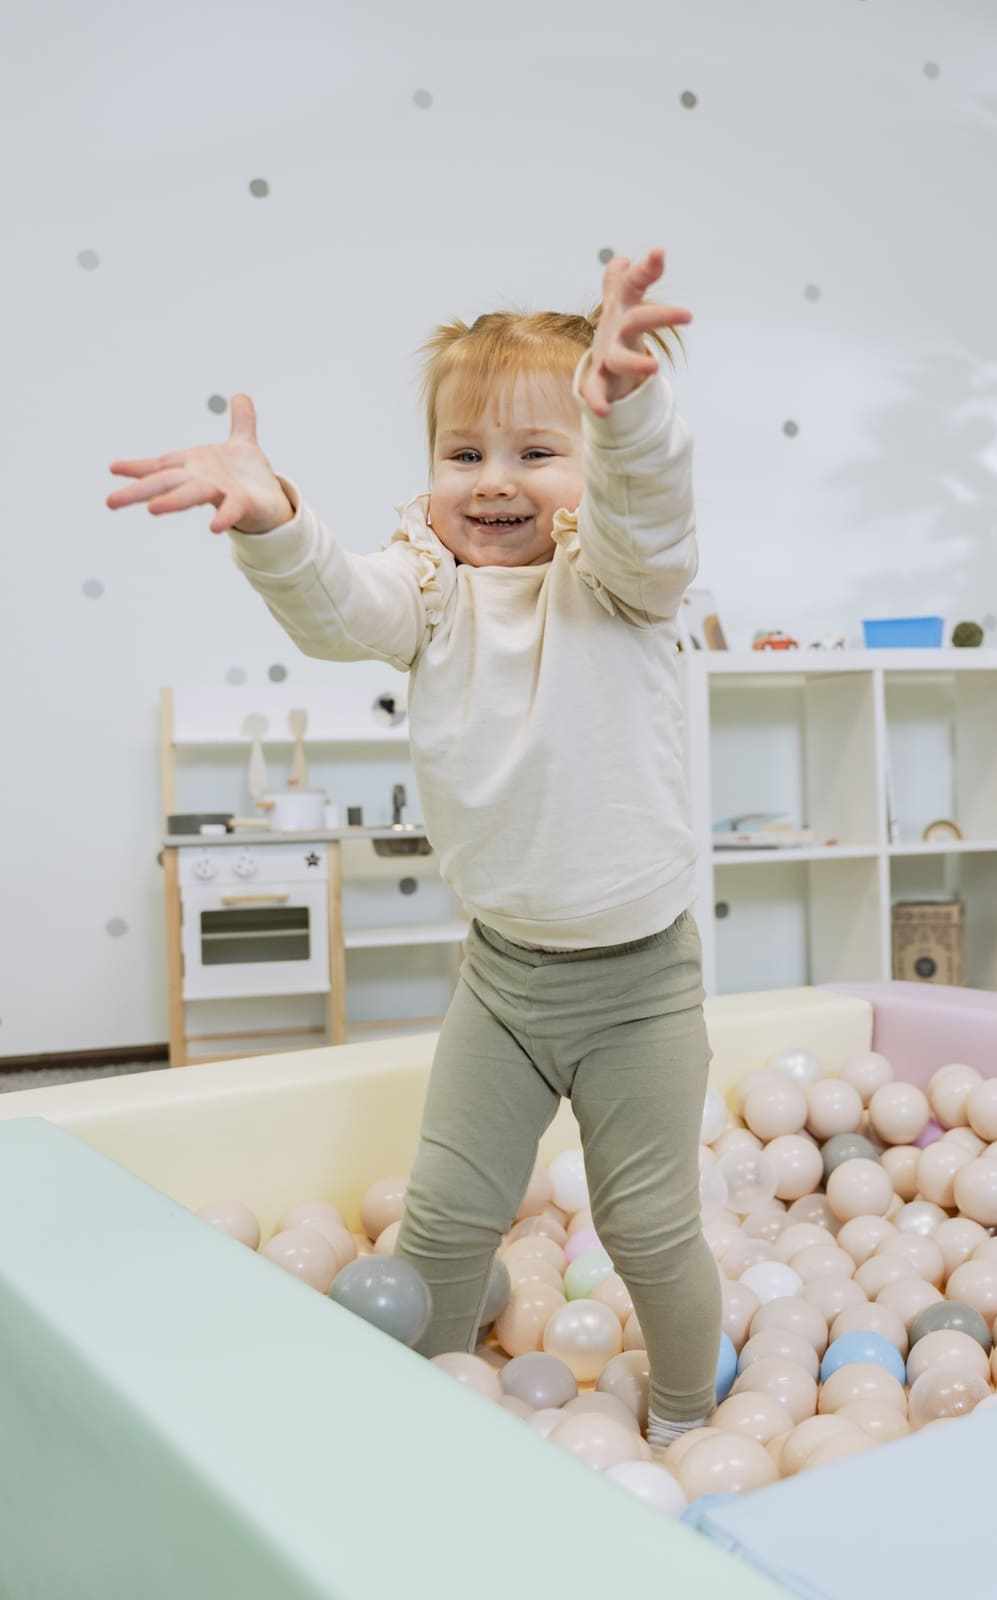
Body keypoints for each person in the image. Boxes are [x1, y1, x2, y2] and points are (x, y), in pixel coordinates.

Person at [106, 249, 721, 1450]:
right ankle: (428, 1415)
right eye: (464, 452)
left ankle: (691, 1424)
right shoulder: (428, 588)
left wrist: (630, 412)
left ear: (589, 471)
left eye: (537, 452)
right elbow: (341, 605)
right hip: (501, 979)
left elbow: (651, 515)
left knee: (648, 1230)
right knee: (443, 1220)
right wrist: (277, 514)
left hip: (639, 986)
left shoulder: (624, 586)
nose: (494, 482)